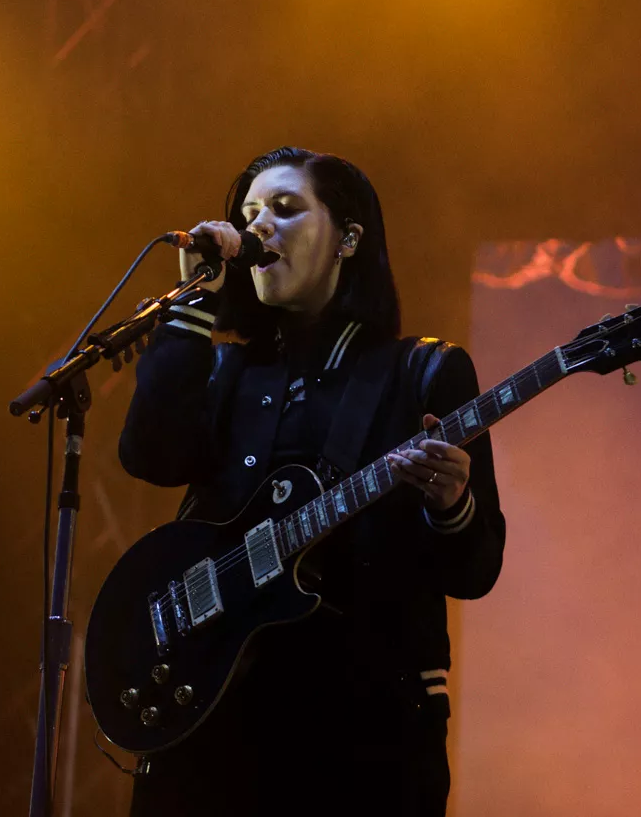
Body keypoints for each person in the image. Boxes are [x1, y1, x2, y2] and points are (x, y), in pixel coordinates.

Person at [118, 147, 505, 816]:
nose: (258, 226)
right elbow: (150, 456)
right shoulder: (226, 372)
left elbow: (476, 570)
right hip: (215, 722)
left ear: (348, 239)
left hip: (362, 735)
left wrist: (451, 504)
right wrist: (193, 305)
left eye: (285, 208)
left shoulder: (422, 374)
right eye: (249, 213)